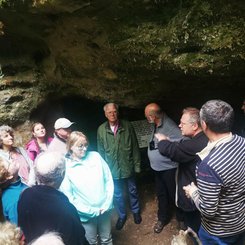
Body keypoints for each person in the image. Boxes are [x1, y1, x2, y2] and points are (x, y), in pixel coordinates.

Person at [183, 99, 245, 245]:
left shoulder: (208, 165)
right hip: (241, 222)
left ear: (203, 125)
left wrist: (193, 192)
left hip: (219, 232)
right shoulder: (242, 142)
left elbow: (208, 210)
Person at [155, 107, 208, 234]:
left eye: (183, 123)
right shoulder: (202, 139)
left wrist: (162, 139)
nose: (179, 125)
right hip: (198, 195)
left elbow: (171, 150)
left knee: (197, 232)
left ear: (195, 126)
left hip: (194, 199)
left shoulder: (195, 144)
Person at [18, 151, 88, 245]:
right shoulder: (66, 209)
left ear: (37, 174)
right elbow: (78, 240)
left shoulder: (25, 195)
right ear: (62, 174)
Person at [60, 131, 114, 245]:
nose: (84, 149)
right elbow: (70, 196)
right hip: (86, 215)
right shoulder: (67, 167)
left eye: (85, 145)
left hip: (104, 209)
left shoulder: (95, 156)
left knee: (107, 239)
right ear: (71, 146)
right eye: (80, 146)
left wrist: (107, 203)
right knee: (91, 242)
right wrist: (92, 212)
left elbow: (108, 179)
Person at [97, 102, 142, 230]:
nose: (113, 114)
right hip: (112, 169)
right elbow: (101, 151)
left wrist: (137, 166)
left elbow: (135, 146)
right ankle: (122, 215)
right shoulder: (101, 129)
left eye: (115, 111)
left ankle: (136, 211)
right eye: (109, 112)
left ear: (118, 112)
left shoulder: (127, 125)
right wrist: (103, 170)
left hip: (128, 165)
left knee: (132, 190)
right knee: (117, 194)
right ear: (105, 114)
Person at [144, 103, 183, 233]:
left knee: (174, 194)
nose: (146, 118)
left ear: (152, 116)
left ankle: (182, 219)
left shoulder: (170, 126)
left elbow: (182, 143)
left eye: (147, 116)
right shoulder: (156, 124)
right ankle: (162, 218)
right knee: (161, 194)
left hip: (169, 168)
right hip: (157, 168)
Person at [0, 156, 28, 224]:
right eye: (9, 164)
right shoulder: (14, 201)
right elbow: (18, 228)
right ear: (8, 176)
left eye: (8, 159)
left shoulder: (17, 185)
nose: (12, 160)